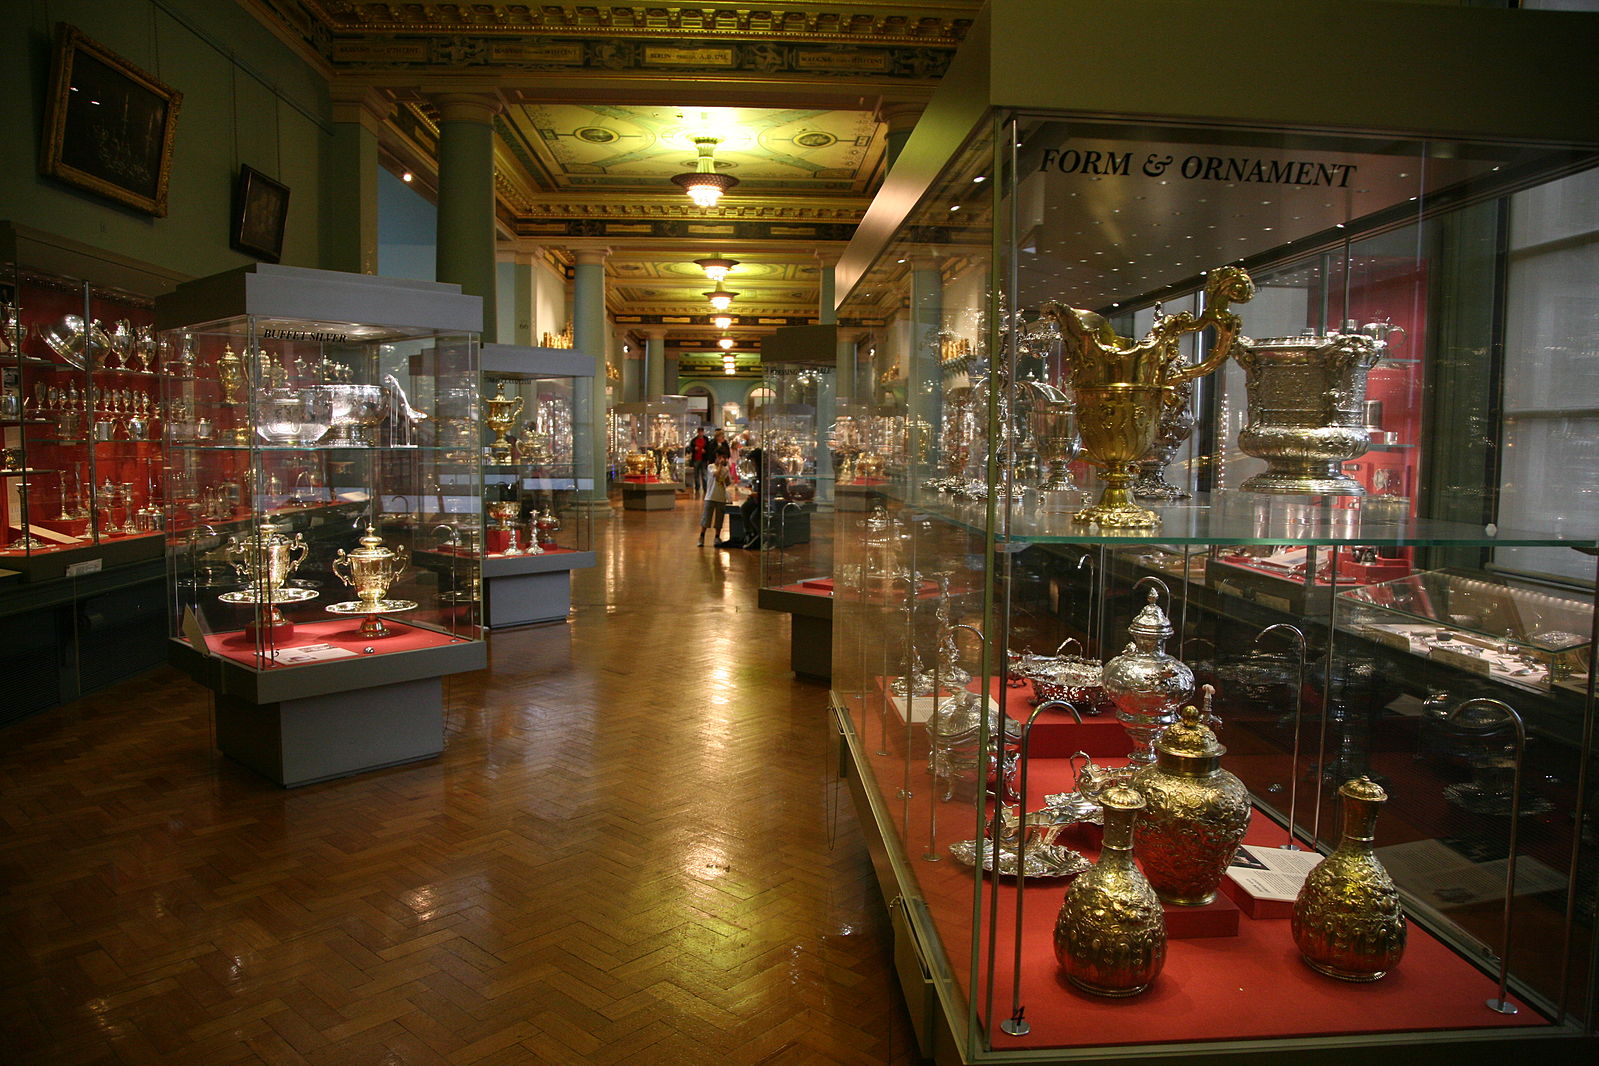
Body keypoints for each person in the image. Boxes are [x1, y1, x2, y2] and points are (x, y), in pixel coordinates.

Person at [699, 456, 731, 546]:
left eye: (723, 458)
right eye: (719, 457)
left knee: (719, 519)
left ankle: (717, 537)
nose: (721, 459)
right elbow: (716, 476)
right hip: (710, 496)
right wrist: (720, 466)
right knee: (706, 518)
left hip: (721, 497)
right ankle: (702, 536)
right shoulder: (711, 467)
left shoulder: (726, 469)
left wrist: (727, 477)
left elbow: (728, 482)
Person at [686, 426, 712, 496]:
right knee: (696, 474)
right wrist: (694, 449)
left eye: (701, 432)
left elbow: (709, 448)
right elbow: (690, 448)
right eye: (699, 432)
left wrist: (705, 451)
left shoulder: (706, 440)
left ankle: (705, 488)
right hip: (696, 459)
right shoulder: (694, 440)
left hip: (703, 459)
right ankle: (697, 487)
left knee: (704, 474)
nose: (700, 433)